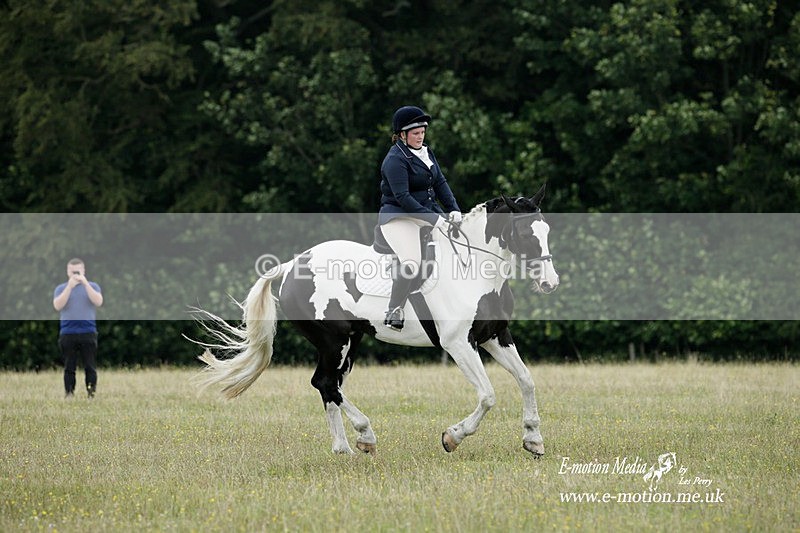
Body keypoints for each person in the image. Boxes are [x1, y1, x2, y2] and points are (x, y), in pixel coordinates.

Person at [379, 105, 462, 330]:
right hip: (398, 216)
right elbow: (403, 198)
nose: (420, 137)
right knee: (412, 262)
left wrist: (453, 209)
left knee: (458, 243)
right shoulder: (394, 160)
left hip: (425, 212)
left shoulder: (425, 152)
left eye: (423, 132)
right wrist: (435, 219)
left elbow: (440, 182)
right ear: (402, 135)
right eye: (415, 133)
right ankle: (394, 310)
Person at [53, 258, 103, 398]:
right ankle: (69, 393)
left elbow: (98, 301)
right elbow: (57, 305)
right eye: (72, 271)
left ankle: (91, 394)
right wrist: (69, 287)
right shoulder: (61, 288)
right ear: (67, 272)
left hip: (88, 332)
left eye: (78, 271)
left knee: (90, 366)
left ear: (84, 271)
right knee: (69, 367)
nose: (75, 274)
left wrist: (85, 283)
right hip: (68, 333)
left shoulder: (92, 286)